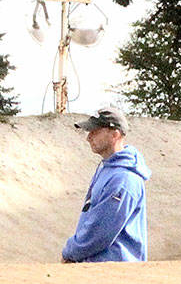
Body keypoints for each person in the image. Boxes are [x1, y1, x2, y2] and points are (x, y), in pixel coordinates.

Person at [62, 106, 150, 263]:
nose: (88, 137)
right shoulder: (107, 169)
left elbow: (100, 232)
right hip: (103, 269)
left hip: (116, 273)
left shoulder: (123, 179)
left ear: (114, 135)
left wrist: (70, 252)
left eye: (94, 131)